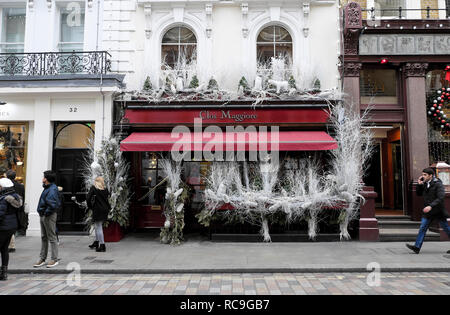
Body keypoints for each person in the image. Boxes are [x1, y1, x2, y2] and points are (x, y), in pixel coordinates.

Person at [406, 167, 450, 254]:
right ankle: (417, 247)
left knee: (446, 229)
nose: (423, 176)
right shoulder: (425, 183)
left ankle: (417, 246)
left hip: (438, 211)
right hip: (428, 212)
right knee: (422, 228)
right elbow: (418, 194)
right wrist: (419, 184)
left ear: (431, 175)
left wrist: (431, 206)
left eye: (425, 175)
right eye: (422, 174)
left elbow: (441, 197)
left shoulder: (438, 184)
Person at [33, 171, 60, 268]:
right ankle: (42, 258)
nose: (42, 179)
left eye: (44, 177)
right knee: (44, 237)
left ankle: (54, 259)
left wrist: (45, 213)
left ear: (47, 179)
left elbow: (52, 204)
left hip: (48, 215)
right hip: (44, 214)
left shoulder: (52, 189)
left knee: (52, 237)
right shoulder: (48, 188)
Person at [0, 177, 23, 280]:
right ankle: (4, 273)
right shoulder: (15, 197)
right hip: (11, 226)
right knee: (4, 249)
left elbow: (0, 214)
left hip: (3, 227)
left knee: (3, 249)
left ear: (2, 187)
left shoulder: (4, 198)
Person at [86, 176, 110, 252]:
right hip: (105, 209)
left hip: (97, 209)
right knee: (97, 226)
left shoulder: (94, 188)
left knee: (98, 226)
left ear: (96, 181)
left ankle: (102, 245)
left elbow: (88, 198)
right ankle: (97, 242)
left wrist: (90, 206)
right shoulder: (105, 189)